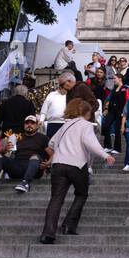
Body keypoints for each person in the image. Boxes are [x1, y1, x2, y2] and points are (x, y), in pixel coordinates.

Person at [38, 99, 114, 243]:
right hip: (77, 164)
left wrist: (53, 157)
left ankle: (48, 233)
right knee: (81, 194)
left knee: (56, 199)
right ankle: (68, 225)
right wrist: (106, 155)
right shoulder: (86, 126)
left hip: (58, 164)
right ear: (86, 112)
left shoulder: (65, 125)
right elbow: (90, 142)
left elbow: (51, 144)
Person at [0, 114, 51, 193]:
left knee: (35, 156)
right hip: (17, 166)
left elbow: (53, 154)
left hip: (34, 167)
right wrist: (5, 149)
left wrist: (47, 164)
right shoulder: (18, 136)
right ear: (24, 125)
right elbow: (4, 152)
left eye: (32, 123)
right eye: (27, 123)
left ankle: (25, 184)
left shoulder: (43, 138)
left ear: (37, 126)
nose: (29, 125)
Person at [99, 79, 129, 157]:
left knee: (117, 129)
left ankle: (117, 148)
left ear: (120, 79)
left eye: (115, 78)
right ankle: (107, 146)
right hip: (112, 110)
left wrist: (125, 112)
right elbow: (110, 99)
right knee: (106, 125)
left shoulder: (125, 88)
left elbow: (126, 100)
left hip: (120, 111)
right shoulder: (114, 88)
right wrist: (106, 108)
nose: (113, 80)